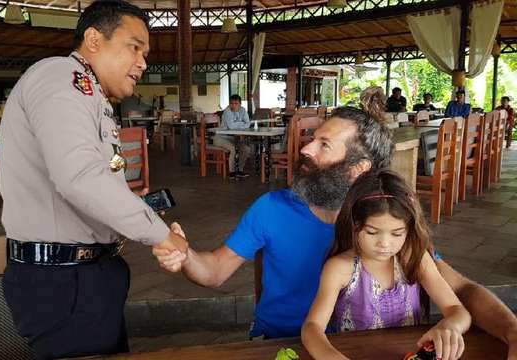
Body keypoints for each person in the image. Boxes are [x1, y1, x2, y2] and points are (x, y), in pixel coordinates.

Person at [153, 105, 517, 355]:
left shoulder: (380, 221)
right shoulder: (273, 208)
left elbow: (462, 289)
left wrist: (511, 331)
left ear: (358, 169)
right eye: (312, 138)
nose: (306, 149)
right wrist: (185, 254)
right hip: (282, 343)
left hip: (367, 343)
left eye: (323, 145)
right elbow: (215, 271)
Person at [0, 1, 187, 358]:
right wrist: (161, 235)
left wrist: (133, 206)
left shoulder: (90, 94)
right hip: (62, 281)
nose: (144, 63)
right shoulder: (61, 77)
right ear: (94, 39)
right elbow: (79, 177)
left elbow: (90, 178)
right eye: (135, 47)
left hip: (85, 274)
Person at [302, 170, 470, 360]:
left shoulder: (415, 259)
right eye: (373, 232)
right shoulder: (340, 269)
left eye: (397, 234)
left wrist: (448, 327)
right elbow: (312, 327)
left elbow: (458, 311)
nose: (385, 244)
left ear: (409, 229)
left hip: (409, 354)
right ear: (354, 225)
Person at [213, 94, 252, 179]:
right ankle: (232, 172)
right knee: (234, 148)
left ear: (240, 104)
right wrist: (242, 123)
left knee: (246, 149)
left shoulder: (243, 110)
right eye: (232, 103)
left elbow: (248, 124)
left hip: (233, 138)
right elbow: (231, 126)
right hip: (220, 138)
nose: (233, 105)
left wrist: (240, 124)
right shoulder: (227, 111)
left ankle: (240, 170)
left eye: (236, 103)